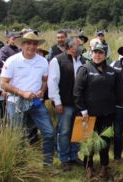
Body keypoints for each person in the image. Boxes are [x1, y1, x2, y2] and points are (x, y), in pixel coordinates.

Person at [0, 31, 55, 166]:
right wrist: (21, 92)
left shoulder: (42, 61)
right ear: (22, 45)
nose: (31, 46)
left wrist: (42, 90)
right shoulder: (12, 61)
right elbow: (3, 83)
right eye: (28, 43)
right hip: (16, 103)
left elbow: (44, 79)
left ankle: (47, 165)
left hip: (36, 103)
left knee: (48, 132)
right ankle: (20, 166)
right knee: (18, 136)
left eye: (34, 44)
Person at [73, 43, 116, 179]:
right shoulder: (84, 69)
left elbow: (115, 91)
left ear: (105, 55)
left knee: (105, 140)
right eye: (95, 52)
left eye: (100, 53)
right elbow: (77, 92)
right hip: (88, 114)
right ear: (91, 54)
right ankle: (88, 167)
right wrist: (83, 111)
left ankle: (104, 166)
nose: (97, 55)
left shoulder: (111, 71)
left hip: (107, 113)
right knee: (88, 141)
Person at [48, 36, 86, 171]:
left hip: (79, 104)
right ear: (71, 47)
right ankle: (64, 159)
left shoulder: (83, 60)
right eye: (78, 44)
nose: (81, 46)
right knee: (64, 131)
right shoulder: (57, 60)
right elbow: (52, 82)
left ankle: (74, 156)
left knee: (77, 131)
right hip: (64, 103)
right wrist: (57, 102)